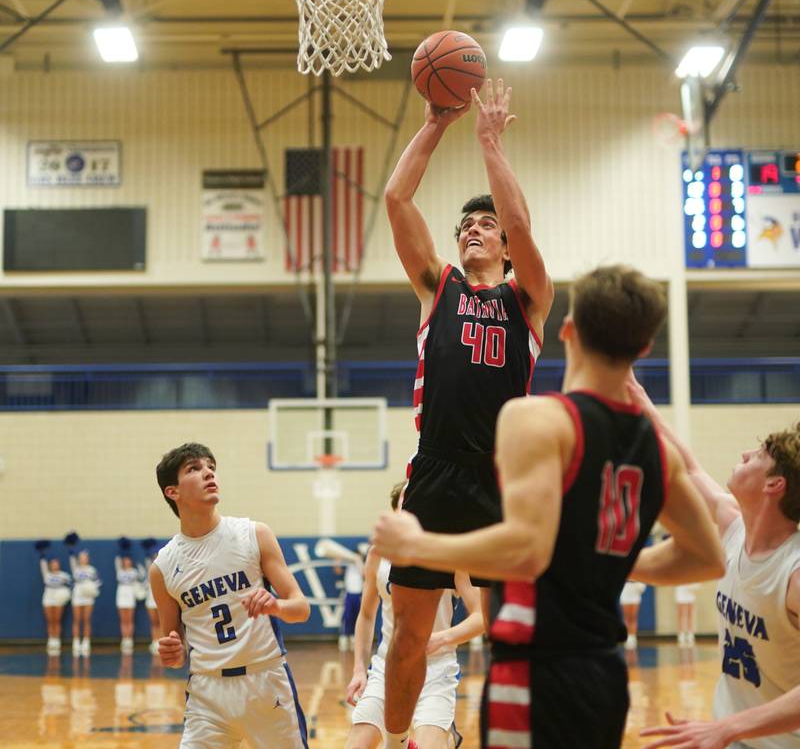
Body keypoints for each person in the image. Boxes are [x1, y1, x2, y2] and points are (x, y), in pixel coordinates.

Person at [372, 263, 726, 749]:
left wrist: (420, 543)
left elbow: (528, 551)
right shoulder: (656, 450)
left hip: (537, 670)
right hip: (605, 671)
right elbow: (708, 557)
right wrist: (608, 561)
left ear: (568, 331)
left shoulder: (539, 419)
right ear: (644, 348)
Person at [382, 78, 554, 748]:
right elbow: (397, 199)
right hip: (433, 472)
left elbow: (521, 222)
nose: (475, 230)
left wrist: (491, 142)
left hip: (502, 478)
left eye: (486, 225)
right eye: (465, 226)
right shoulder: (437, 286)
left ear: (506, 247)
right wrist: (435, 124)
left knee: (516, 641)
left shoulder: (529, 299)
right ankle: (402, 742)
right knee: (407, 637)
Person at [626, 378, 800, 749]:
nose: (743, 455)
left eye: (758, 455)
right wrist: (636, 394)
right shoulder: (734, 524)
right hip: (735, 735)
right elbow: (687, 467)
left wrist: (729, 727)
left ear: (775, 484)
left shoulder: (794, 573)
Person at [149, 441, 311, 749]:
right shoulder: (163, 567)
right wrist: (171, 652)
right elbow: (175, 648)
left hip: (266, 683)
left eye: (211, 466)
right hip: (207, 693)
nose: (208, 473)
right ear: (173, 492)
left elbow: (300, 608)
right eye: (194, 469)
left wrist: (275, 605)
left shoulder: (254, 534)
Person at [345, 482, 484, 749]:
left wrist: (441, 638)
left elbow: (482, 617)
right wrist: (359, 669)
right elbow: (365, 615)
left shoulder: (450, 557)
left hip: (436, 667)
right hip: (388, 663)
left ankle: (444, 734)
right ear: (397, 512)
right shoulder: (378, 553)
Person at [67, 534, 100, 657]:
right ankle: (76, 642)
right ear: (79, 558)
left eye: (85, 557)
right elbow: (71, 556)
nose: (83, 559)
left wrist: (92, 589)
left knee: (86, 619)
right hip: (77, 595)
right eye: (81, 557)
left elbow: (98, 583)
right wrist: (71, 546)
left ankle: (86, 642)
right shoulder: (75, 568)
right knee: (77, 619)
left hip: (88, 597)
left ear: (88, 559)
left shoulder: (92, 570)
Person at [37, 540, 71, 655]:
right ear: (50, 565)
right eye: (52, 563)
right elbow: (42, 563)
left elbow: (72, 586)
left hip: (58, 598)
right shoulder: (47, 574)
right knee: (49, 621)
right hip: (48, 597)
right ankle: (50, 640)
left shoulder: (64, 575)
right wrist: (42, 552)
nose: (55, 565)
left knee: (57, 620)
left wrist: (66, 595)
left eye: (56, 563)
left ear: (59, 565)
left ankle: (57, 640)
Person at [115, 541, 142, 655]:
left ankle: (129, 640)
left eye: (128, 560)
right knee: (123, 619)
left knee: (130, 619)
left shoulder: (134, 572)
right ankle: (124, 639)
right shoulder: (119, 570)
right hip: (121, 593)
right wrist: (122, 547)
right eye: (125, 560)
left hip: (130, 594)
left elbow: (142, 575)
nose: (127, 561)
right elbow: (117, 559)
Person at [141, 538, 162, 655]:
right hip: (150, 598)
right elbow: (147, 560)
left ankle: (161, 642)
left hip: (159, 598)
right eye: (153, 556)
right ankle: (154, 641)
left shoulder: (162, 568)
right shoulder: (148, 568)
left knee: (161, 622)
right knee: (153, 622)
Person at [620, 581, 647, 650]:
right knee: (626, 618)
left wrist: (640, 585)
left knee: (633, 617)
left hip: (635, 592)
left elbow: (642, 583)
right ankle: (627, 637)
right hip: (625, 591)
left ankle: (633, 637)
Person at [674, 582, 701, 647]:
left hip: (690, 590)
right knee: (681, 614)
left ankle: (690, 634)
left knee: (690, 613)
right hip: (680, 590)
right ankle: (681, 634)